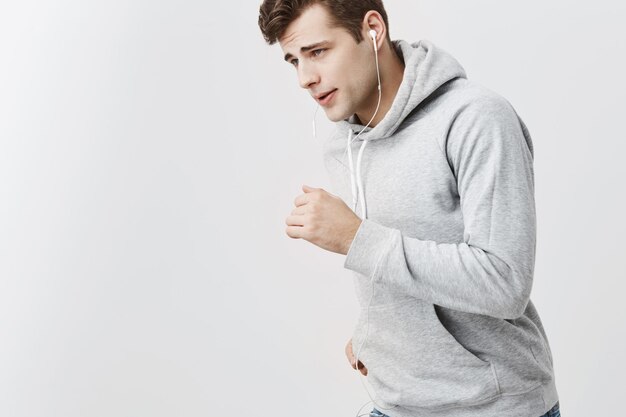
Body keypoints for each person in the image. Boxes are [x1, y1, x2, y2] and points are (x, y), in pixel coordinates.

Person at [257, 1, 561, 416]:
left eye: (318, 51)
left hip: (492, 407)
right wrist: (377, 334)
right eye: (293, 60)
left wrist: (354, 238)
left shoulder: (475, 119)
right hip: (394, 402)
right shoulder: (343, 139)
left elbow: (504, 284)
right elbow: (398, 259)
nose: (305, 79)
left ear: (373, 29)